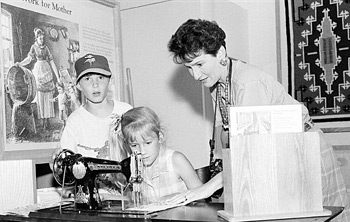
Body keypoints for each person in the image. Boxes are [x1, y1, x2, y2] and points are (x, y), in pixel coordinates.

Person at [167, 18, 350, 221]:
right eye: (189, 68)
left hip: (304, 152)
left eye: (199, 64)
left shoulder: (247, 82)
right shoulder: (217, 85)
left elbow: (251, 153)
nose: (195, 75)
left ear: (220, 53)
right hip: (279, 154)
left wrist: (205, 190)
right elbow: (227, 136)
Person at [113, 106, 202, 203]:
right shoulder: (133, 168)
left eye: (148, 143)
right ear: (127, 145)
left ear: (160, 137)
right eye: (134, 145)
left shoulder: (176, 160)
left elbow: (201, 196)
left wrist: (177, 197)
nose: (142, 151)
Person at [58, 53, 132, 160]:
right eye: (87, 79)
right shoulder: (75, 121)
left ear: (110, 81)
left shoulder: (126, 111)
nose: (95, 84)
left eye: (101, 77)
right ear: (78, 85)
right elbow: (66, 161)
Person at [16, 27, 61, 130]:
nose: (42, 39)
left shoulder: (46, 48)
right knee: (40, 96)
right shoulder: (33, 47)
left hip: (46, 70)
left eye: (42, 37)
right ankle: (43, 122)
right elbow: (29, 59)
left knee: (48, 96)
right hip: (38, 71)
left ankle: (47, 120)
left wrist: (57, 77)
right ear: (36, 38)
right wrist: (20, 63)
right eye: (39, 37)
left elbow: (52, 62)